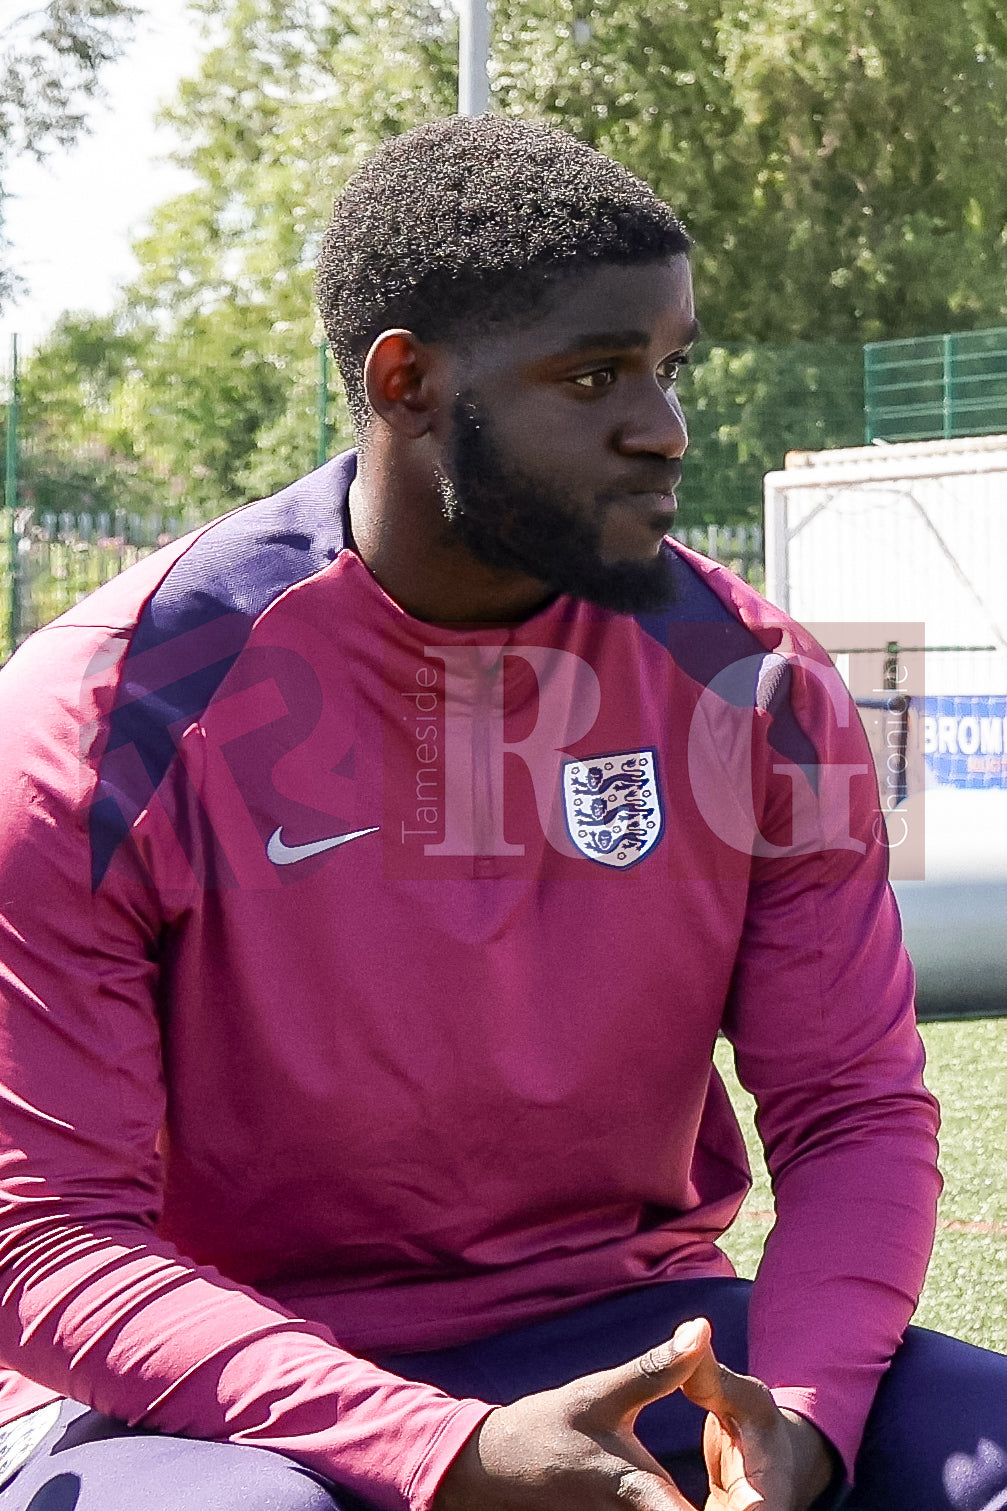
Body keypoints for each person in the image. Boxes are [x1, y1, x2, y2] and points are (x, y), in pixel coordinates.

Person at [0, 113, 1003, 1511]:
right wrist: (441, 1452)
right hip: (236, 1398)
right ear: (407, 383)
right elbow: (44, 1238)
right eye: (595, 374)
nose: (666, 428)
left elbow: (850, 1110)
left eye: (671, 365)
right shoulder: (104, 716)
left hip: (635, 1333)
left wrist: (807, 1412)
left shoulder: (758, 683)